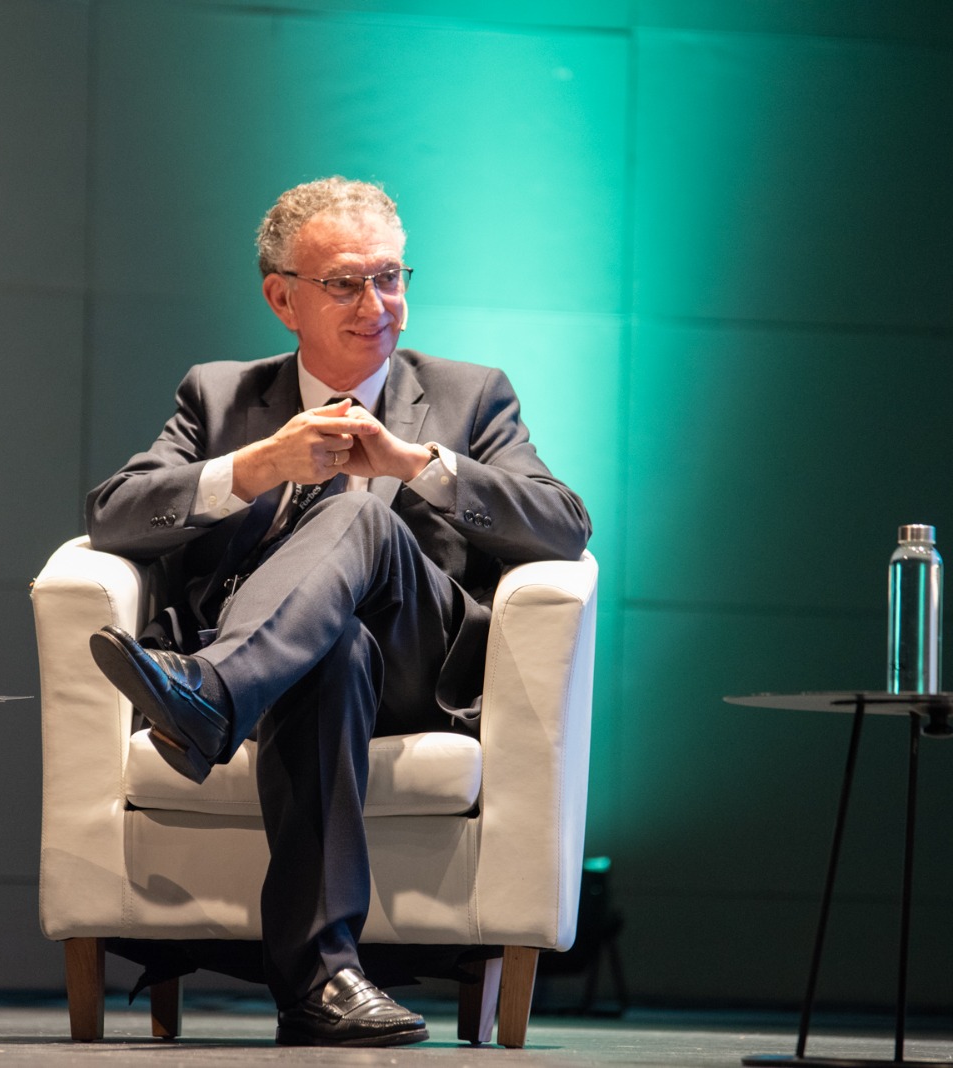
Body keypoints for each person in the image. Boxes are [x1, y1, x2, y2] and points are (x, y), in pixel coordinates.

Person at [85, 177, 590, 1047]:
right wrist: (252, 469)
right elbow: (115, 512)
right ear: (283, 297)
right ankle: (323, 981)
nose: (377, 304)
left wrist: (416, 464)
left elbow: (564, 524)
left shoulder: (471, 397)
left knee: (359, 512)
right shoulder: (220, 397)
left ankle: (208, 693)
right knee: (335, 651)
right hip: (308, 677)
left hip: (419, 671)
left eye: (390, 278)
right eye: (346, 284)